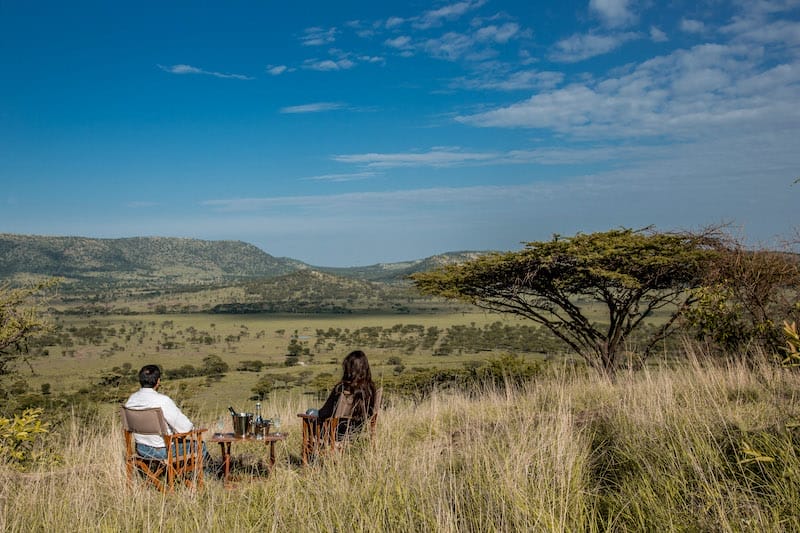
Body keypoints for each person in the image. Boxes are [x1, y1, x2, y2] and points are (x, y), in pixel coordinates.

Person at [124, 364, 198, 460]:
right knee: (199, 445)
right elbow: (185, 428)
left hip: (141, 449)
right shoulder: (163, 400)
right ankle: (208, 469)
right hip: (162, 450)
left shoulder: (131, 399)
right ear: (158, 381)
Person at [316, 350, 377, 438]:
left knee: (310, 412)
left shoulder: (341, 389)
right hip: (357, 432)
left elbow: (324, 413)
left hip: (335, 433)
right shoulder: (371, 389)